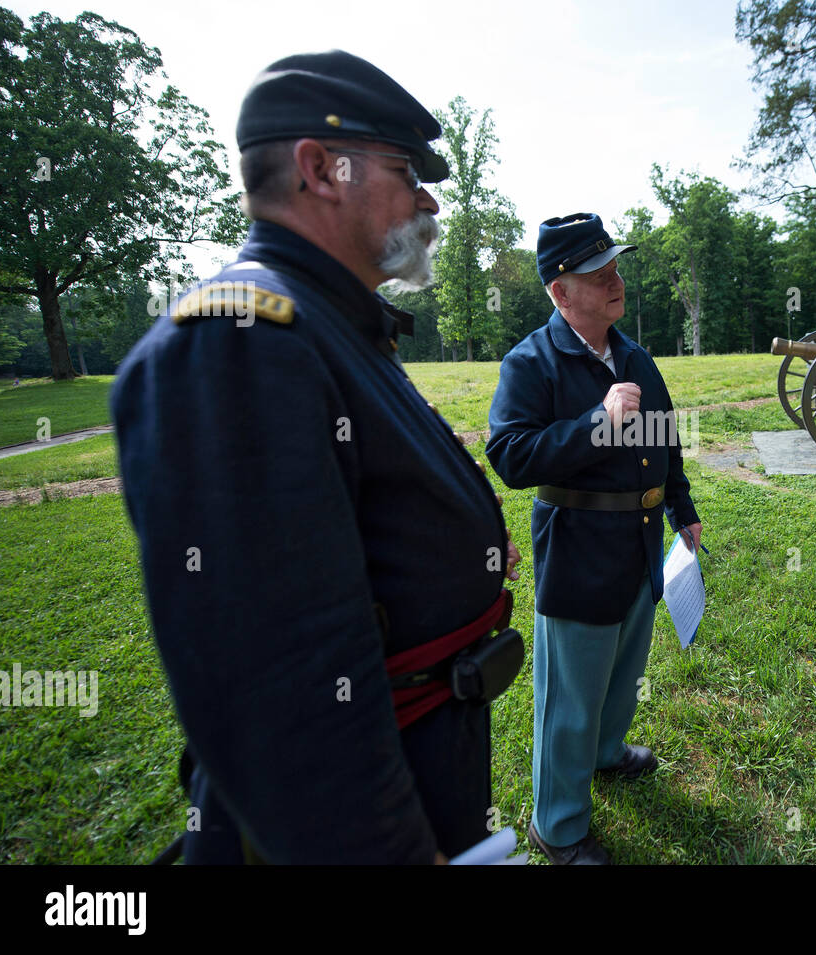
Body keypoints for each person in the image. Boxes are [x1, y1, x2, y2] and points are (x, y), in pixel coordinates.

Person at [111, 50, 521, 863]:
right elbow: (285, 685)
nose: (430, 199)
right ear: (320, 168)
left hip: (430, 752)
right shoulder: (239, 339)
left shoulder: (325, 320)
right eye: (408, 170)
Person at [486, 213, 701, 864]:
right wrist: (594, 424)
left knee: (622, 673)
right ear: (560, 291)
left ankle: (606, 755)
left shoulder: (633, 354)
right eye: (595, 272)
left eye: (615, 265)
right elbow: (510, 455)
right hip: (577, 550)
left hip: (637, 545)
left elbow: (664, 440)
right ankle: (558, 824)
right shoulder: (531, 361)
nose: (615, 279)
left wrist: (681, 509)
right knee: (570, 699)